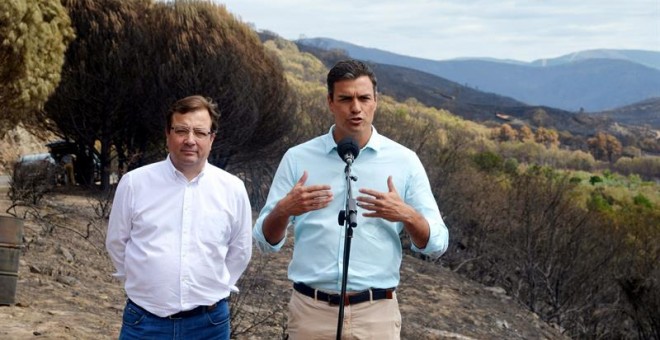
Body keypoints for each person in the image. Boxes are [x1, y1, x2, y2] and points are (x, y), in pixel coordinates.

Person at [253, 59, 449, 339]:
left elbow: (438, 243)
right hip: (311, 312)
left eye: (363, 98)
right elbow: (264, 242)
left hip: (376, 315)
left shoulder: (405, 161)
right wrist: (284, 210)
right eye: (345, 99)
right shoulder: (298, 158)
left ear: (376, 101)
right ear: (330, 102)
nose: (355, 108)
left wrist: (407, 215)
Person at [106, 95, 252, 340]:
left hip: (209, 325)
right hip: (144, 321)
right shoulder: (135, 183)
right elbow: (117, 243)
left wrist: (212, 288)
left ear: (212, 138)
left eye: (200, 132)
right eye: (181, 130)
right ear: (167, 134)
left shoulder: (233, 189)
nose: (190, 140)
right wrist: (148, 284)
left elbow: (240, 250)